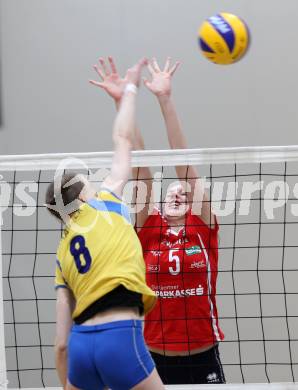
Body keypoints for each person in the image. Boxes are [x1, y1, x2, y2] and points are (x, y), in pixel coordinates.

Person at [94, 56, 225, 385]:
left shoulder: (202, 228)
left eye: (184, 192)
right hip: (153, 357)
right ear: (160, 203)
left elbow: (184, 163)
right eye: (172, 192)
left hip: (203, 355)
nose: (178, 193)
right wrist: (125, 100)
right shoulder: (148, 228)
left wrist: (165, 100)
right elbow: (139, 166)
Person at [46, 58, 164, 390]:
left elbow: (61, 344)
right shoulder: (106, 204)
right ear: (82, 198)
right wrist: (128, 91)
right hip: (120, 337)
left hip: (81, 346)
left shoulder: (62, 253)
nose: (97, 184)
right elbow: (123, 138)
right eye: (90, 183)